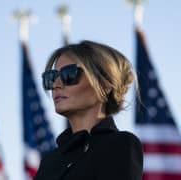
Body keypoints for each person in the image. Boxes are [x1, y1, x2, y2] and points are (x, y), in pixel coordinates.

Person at [34, 40, 143, 180]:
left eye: (69, 74)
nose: (56, 84)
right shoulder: (48, 162)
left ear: (104, 85)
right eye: (52, 77)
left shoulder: (119, 145)